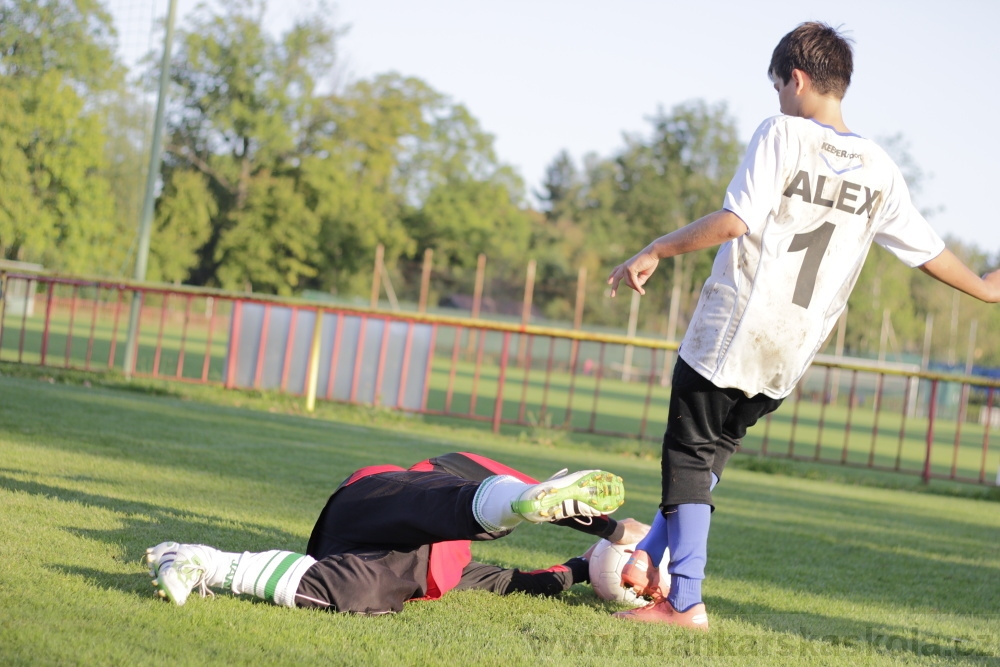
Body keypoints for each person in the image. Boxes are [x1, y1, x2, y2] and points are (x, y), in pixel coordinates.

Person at [606, 21, 1000, 630]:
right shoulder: (880, 166)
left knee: (686, 457)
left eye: (778, 87)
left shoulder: (782, 132)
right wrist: (985, 289)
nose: (779, 100)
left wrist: (655, 248)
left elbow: (737, 220)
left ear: (796, 78)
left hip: (735, 325)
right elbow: (926, 253)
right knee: (710, 459)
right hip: (791, 350)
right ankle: (646, 557)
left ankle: (684, 602)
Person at [146, 452, 646, 615]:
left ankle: (195, 559)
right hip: (376, 500)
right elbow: (464, 471)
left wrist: (586, 567)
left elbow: (518, 581)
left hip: (362, 561)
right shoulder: (436, 475)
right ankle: (524, 500)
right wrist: (613, 528)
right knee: (445, 501)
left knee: (361, 595)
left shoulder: (450, 572)